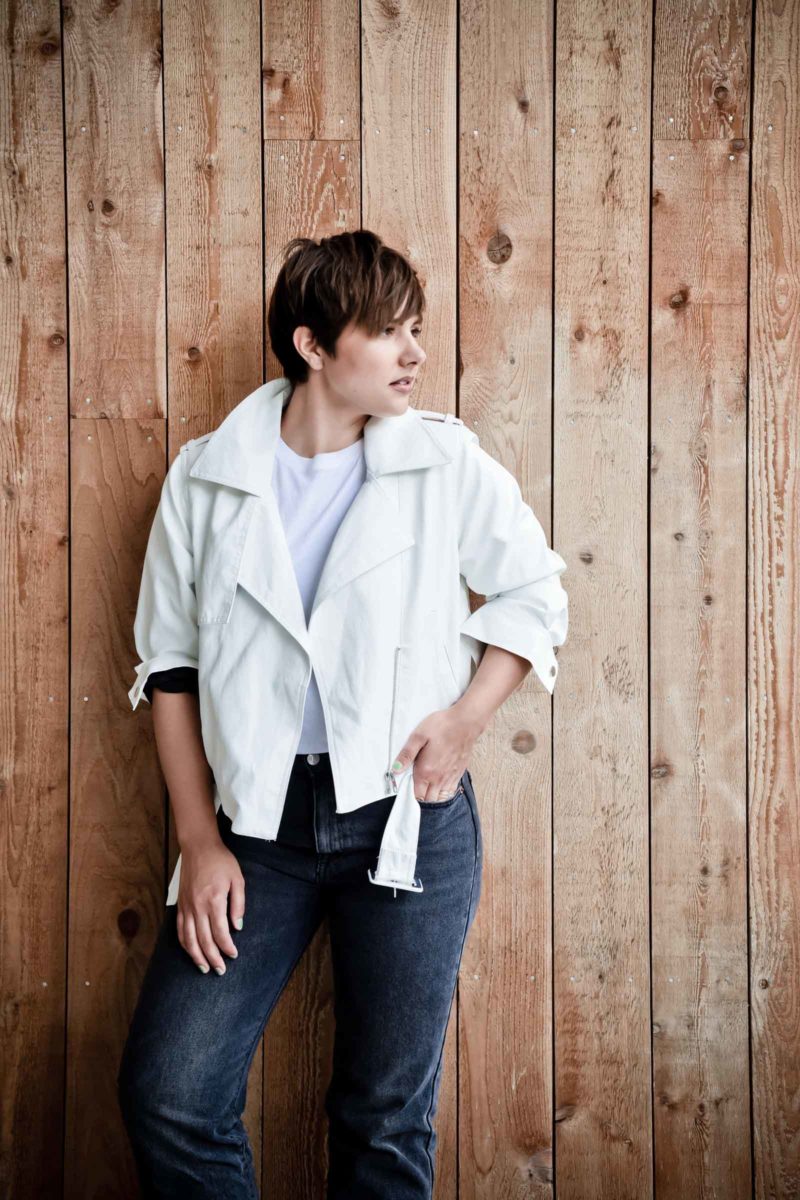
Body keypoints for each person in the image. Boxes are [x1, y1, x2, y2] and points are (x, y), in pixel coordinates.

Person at [117, 229, 568, 1198]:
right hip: (257, 836)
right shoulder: (205, 476)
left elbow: (534, 594)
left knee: (383, 1118)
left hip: (408, 821)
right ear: (314, 345)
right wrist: (198, 841)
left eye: (416, 329)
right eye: (387, 332)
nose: (414, 352)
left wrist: (464, 719)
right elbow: (170, 666)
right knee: (169, 1095)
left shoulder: (443, 461)